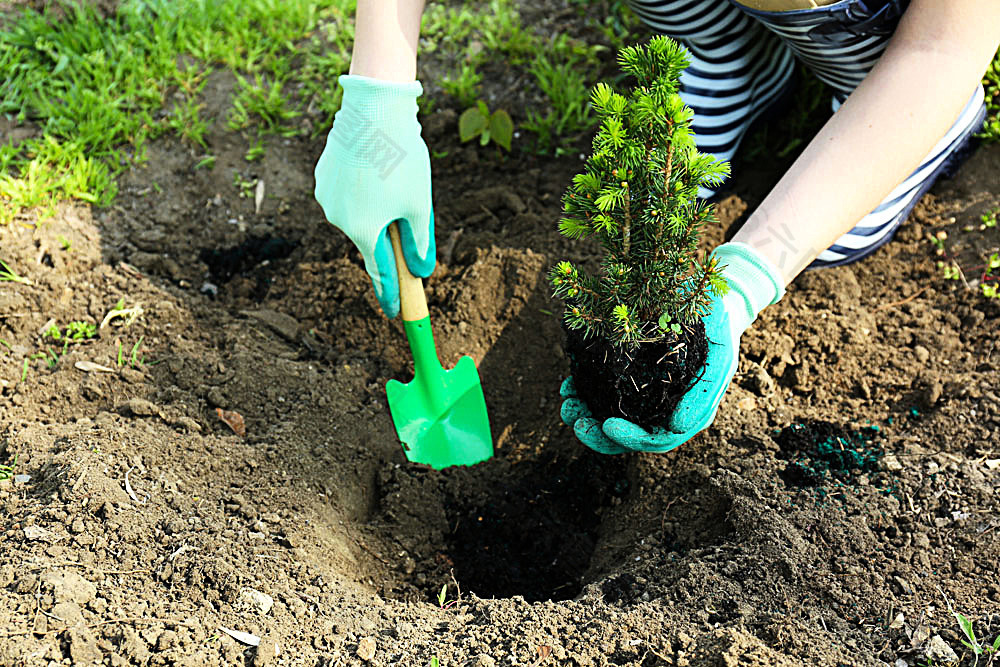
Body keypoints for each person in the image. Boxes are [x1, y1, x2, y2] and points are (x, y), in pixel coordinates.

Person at [314, 0, 1000, 455]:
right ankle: (727, 47)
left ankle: (868, 87)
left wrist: (746, 277)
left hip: (905, 44)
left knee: (850, 193)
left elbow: (943, 46)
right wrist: (378, 89)